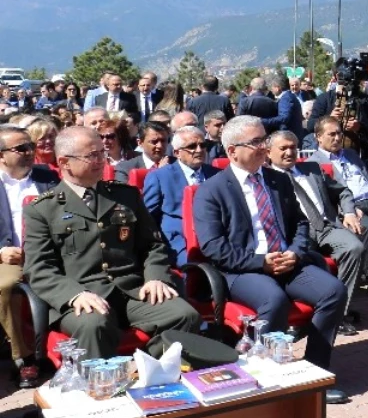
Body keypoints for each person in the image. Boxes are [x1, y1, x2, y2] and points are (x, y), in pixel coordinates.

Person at [193, 117, 349, 403]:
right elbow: (213, 247)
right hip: (243, 269)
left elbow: (301, 224)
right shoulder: (211, 190)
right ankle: (265, 377)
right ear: (232, 151)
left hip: (287, 260)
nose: (265, 147)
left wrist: (295, 252)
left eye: (264, 140)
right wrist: (260, 262)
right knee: (273, 301)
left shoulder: (278, 180)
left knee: (333, 292)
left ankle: (314, 373)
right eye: (256, 142)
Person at [23, 127, 201, 359]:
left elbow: (153, 245)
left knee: (184, 315)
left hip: (133, 290)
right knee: (93, 325)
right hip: (84, 295)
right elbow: (38, 268)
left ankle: (145, 368)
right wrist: (75, 295)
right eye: (91, 156)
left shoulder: (125, 195)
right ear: (65, 162)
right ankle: (99, 388)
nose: (100, 161)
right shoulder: (43, 209)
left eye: (101, 153)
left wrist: (155, 276)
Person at [268, 130, 368, 327]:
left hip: (327, 226)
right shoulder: (267, 180)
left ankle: (339, 312)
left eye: (293, 147)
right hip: (297, 233)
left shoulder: (312, 168)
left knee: (354, 248)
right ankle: (313, 310)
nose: (289, 152)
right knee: (305, 260)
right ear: (269, 152)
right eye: (283, 148)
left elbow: (343, 191)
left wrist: (349, 211)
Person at [0, 126, 59, 387]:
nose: (30, 153)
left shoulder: (48, 178)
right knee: (6, 285)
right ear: (1, 155)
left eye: (30, 147)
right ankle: (24, 358)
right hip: (10, 256)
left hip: (49, 253)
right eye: (21, 148)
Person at [142, 125, 219, 266]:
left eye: (203, 145)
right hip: (179, 240)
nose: (199, 150)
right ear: (177, 152)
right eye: (192, 146)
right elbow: (147, 218)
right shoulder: (160, 177)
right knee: (197, 269)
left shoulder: (217, 175)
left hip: (216, 236)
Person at [312, 117, 368, 237]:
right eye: (332, 134)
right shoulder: (314, 163)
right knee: (366, 228)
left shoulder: (350, 154)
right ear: (319, 137)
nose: (338, 138)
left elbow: (367, 178)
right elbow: (325, 198)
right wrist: (347, 211)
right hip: (351, 207)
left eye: (339, 133)